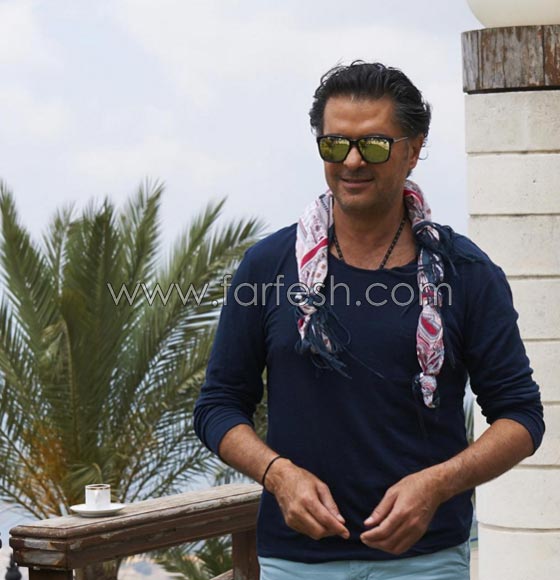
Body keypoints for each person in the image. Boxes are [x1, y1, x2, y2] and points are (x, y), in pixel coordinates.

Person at [193, 61, 545, 580]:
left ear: (413, 149)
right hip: (296, 562)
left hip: (426, 562)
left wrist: (437, 485)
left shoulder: (467, 273)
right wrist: (278, 474)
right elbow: (218, 405)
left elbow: (520, 416)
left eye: (374, 145)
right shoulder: (267, 267)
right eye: (335, 145)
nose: (352, 161)